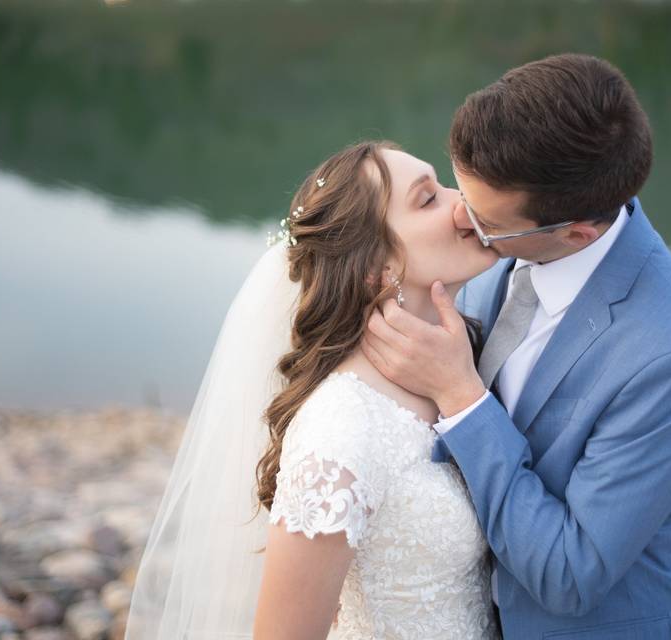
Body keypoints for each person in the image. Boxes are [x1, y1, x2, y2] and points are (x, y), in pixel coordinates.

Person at [362, 53, 671, 639]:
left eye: (484, 220)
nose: (460, 218)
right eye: (458, 189)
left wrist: (461, 395)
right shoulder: (490, 259)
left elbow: (570, 574)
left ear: (576, 232)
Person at [125, 140, 502, 639]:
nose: (464, 202)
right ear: (378, 268)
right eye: (428, 198)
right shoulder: (340, 427)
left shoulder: (466, 363)